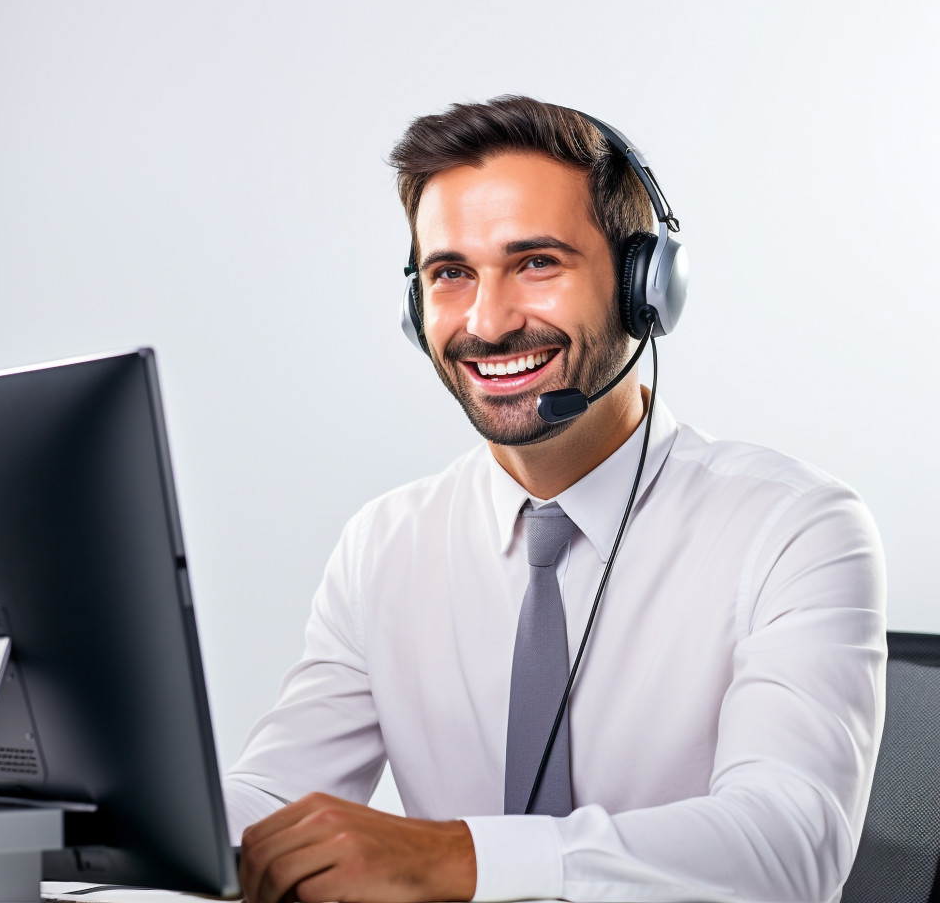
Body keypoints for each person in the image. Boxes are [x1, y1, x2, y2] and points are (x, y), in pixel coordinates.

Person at [225, 96, 887, 903]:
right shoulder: (384, 545)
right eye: (450, 274)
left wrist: (458, 858)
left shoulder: (794, 529)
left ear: (646, 288)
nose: (489, 321)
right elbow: (273, 798)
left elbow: (788, 847)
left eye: (536, 262)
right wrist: (107, 819)